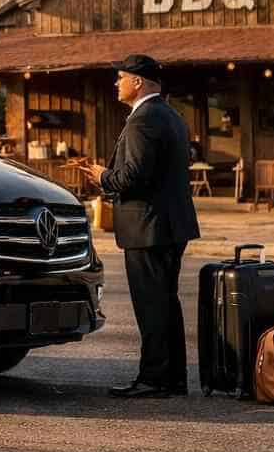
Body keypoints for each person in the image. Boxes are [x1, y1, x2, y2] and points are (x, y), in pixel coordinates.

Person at [77, 54, 200, 399]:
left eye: (120, 78)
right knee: (166, 303)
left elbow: (132, 178)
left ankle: (155, 379)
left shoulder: (142, 120)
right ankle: (172, 378)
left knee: (152, 306)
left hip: (149, 227)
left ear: (138, 82)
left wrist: (102, 176)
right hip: (170, 225)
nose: (116, 84)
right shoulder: (170, 115)